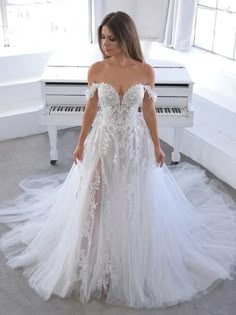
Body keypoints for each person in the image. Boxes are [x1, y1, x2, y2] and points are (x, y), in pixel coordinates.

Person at [0, 11, 236, 310]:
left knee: (132, 195)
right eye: (102, 37)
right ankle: (93, 258)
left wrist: (156, 145)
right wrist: (81, 143)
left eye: (111, 38)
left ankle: (129, 257)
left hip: (134, 142)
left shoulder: (146, 71)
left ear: (126, 37)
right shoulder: (97, 69)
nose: (105, 43)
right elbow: (90, 110)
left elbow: (149, 111)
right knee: (94, 196)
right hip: (103, 139)